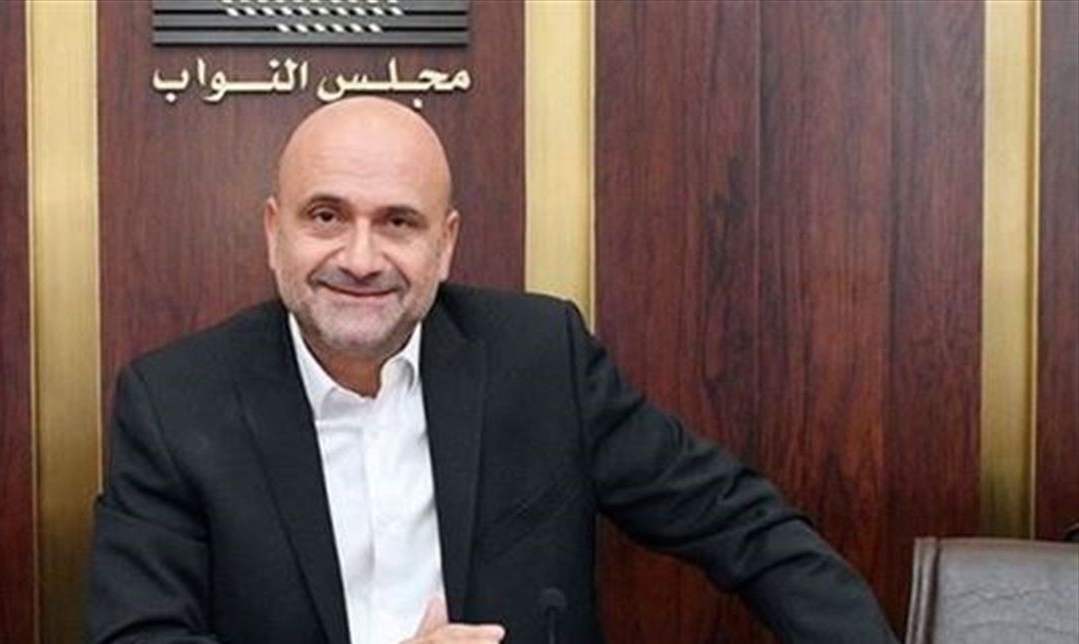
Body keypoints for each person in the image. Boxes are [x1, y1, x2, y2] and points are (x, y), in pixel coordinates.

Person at [87, 97, 896, 644]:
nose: (360, 258)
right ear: (275, 233)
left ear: (445, 244)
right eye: (326, 216)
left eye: (398, 223)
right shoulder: (173, 403)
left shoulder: (541, 358)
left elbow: (739, 523)